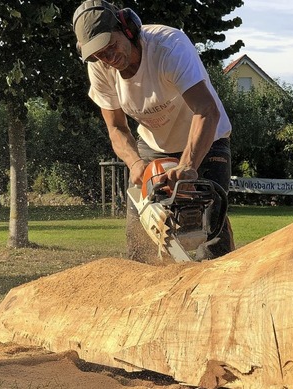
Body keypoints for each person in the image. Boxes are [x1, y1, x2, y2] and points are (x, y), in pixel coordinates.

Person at [73, 0, 234, 259]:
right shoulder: (100, 67)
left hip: (207, 138)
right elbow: (116, 128)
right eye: (99, 54)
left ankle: (224, 286)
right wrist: (136, 164)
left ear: (128, 27)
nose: (108, 57)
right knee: (140, 239)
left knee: (208, 231)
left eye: (111, 46)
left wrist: (189, 166)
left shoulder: (169, 47)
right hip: (152, 147)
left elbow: (206, 110)